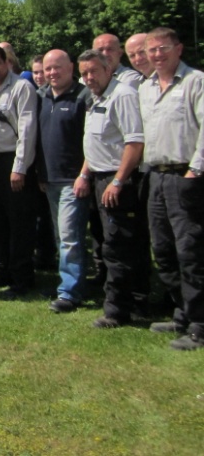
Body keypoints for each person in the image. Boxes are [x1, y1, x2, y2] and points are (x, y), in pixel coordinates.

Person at [138, 27, 204, 350]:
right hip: (156, 177)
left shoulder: (195, 82)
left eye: (163, 48)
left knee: (190, 251)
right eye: (152, 50)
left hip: (185, 176)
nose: (156, 55)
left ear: (178, 49)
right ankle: (182, 312)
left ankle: (200, 324)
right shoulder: (146, 87)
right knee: (163, 249)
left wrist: (196, 170)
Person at [77, 50, 149, 328]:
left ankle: (119, 311)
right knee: (108, 243)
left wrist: (118, 181)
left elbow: (135, 143)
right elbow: (95, 142)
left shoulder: (123, 95)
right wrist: (85, 173)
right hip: (98, 178)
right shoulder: (96, 98)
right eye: (84, 73)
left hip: (118, 180)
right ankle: (134, 303)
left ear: (109, 69)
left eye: (94, 71)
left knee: (119, 246)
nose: (89, 77)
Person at [0, 45, 38, 299]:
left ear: (6, 62)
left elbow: (27, 129)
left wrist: (20, 167)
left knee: (19, 223)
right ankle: (0, 272)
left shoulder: (22, 88)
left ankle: (22, 278)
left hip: (13, 161)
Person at [37, 50, 91, 313]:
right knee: (62, 235)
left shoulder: (83, 96)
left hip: (73, 179)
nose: (52, 73)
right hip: (50, 179)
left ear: (71, 67)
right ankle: (69, 282)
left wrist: (84, 174)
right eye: (48, 69)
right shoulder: (41, 96)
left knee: (70, 235)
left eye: (58, 67)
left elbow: (93, 141)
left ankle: (70, 292)